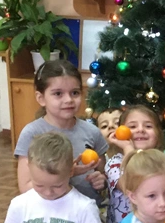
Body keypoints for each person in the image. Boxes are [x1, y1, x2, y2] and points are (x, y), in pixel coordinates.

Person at [14, 60, 107, 204]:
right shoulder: (32, 134)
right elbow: (25, 187)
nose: (68, 100)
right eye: (58, 93)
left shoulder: (92, 132)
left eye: (75, 93)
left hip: (89, 209)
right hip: (50, 210)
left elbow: (103, 173)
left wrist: (101, 181)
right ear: (41, 98)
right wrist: (67, 173)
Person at [104, 105, 165, 223]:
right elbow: (128, 185)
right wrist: (128, 149)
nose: (140, 130)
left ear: (158, 133)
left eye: (148, 126)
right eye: (132, 126)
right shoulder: (115, 163)